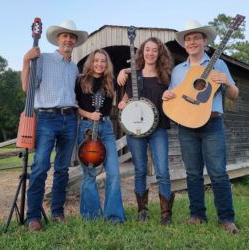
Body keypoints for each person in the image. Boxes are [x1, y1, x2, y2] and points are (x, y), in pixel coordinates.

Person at [162, 20, 240, 234]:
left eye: (196, 37)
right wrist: (166, 95)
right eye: (188, 39)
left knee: (218, 173)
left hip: (212, 124)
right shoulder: (179, 70)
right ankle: (197, 215)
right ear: (185, 44)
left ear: (205, 41)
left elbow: (234, 96)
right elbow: (173, 97)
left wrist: (228, 83)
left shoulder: (219, 65)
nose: (192, 42)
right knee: (193, 173)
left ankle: (226, 218)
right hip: (187, 126)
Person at [21, 20, 88, 232]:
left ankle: (57, 212)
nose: (68, 40)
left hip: (70, 119)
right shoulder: (43, 59)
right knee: (41, 165)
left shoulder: (74, 67)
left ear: (75, 42)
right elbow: (27, 87)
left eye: (72, 37)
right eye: (64, 36)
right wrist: (25, 61)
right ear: (58, 39)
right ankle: (33, 216)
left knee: (62, 169)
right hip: (47, 118)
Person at [117, 37, 174, 225]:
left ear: (159, 54)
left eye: (154, 50)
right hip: (137, 130)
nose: (150, 53)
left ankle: (166, 214)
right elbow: (127, 98)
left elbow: (174, 98)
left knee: (163, 171)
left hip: (158, 129)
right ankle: (142, 211)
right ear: (142, 53)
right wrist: (124, 103)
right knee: (140, 169)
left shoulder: (166, 76)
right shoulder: (134, 75)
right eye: (147, 50)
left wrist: (170, 95)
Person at [75, 49, 125, 223]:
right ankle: (91, 216)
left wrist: (125, 72)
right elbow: (73, 105)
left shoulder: (110, 80)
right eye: (96, 60)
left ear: (107, 63)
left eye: (103, 61)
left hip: (106, 127)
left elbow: (134, 81)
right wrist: (89, 115)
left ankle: (113, 216)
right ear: (91, 62)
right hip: (87, 129)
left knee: (113, 172)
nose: (99, 64)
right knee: (90, 174)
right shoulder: (81, 80)